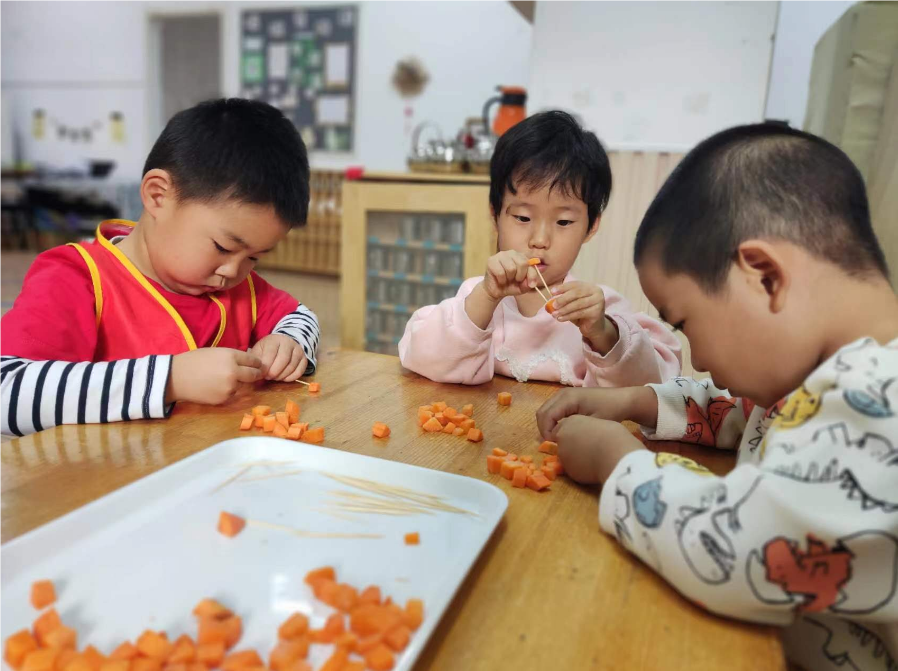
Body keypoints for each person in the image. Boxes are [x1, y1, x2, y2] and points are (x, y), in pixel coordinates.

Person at [537, 123, 898, 670]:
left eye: (687, 323)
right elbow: (744, 412)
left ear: (765, 278)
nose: (698, 357)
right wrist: (633, 401)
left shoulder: (878, 401)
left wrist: (618, 460)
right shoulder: (816, 378)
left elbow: (734, 549)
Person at [0, 99, 319, 437]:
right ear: (157, 196)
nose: (233, 271)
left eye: (255, 257)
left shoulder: (240, 289)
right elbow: (6, 393)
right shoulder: (75, 278)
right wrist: (169, 380)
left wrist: (288, 342)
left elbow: (301, 316)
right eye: (223, 247)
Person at [399, 111, 680, 387]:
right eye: (522, 218)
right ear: (495, 214)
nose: (540, 239)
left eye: (564, 221)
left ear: (591, 226)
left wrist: (604, 333)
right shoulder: (477, 297)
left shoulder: (600, 309)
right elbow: (420, 357)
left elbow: (656, 384)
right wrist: (485, 296)